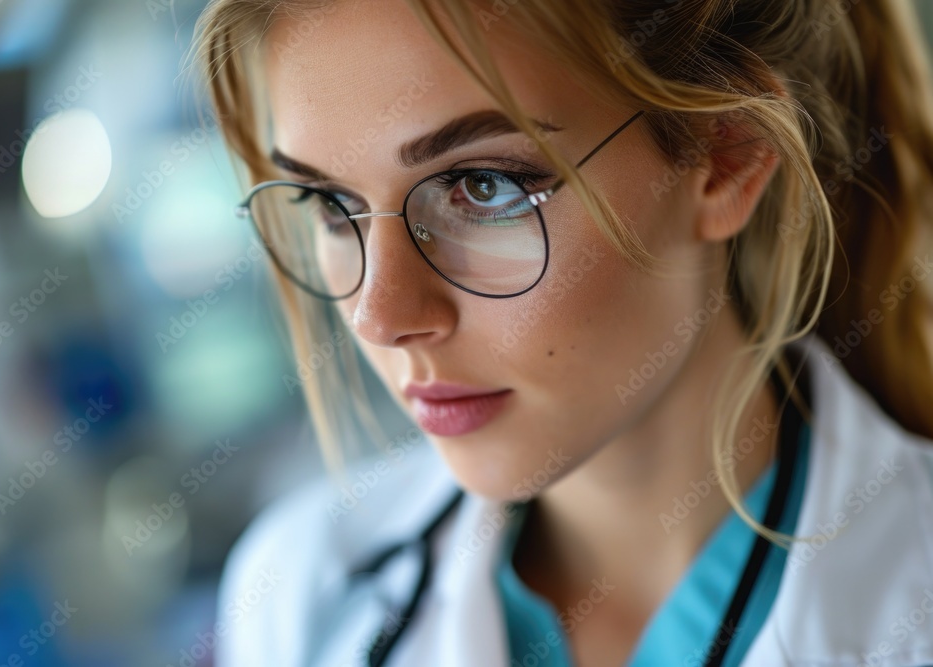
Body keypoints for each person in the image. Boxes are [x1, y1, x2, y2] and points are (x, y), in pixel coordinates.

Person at [191, 0, 933, 664]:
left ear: (725, 155)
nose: (379, 317)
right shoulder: (295, 589)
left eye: (483, 187)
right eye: (331, 203)